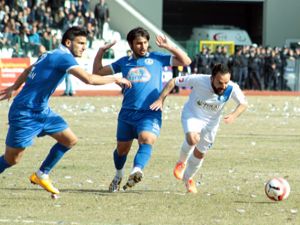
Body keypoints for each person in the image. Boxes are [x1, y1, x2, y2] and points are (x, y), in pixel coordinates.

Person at [0, 26, 131, 195]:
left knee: (69, 140)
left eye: (86, 43)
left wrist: (14, 87)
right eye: (81, 43)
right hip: (25, 113)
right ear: (68, 42)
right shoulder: (64, 57)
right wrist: (116, 77)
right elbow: (89, 79)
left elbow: (28, 70)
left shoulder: (50, 54)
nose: (84, 47)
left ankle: (42, 174)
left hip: (42, 111)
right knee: (12, 159)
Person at [93, 27, 191, 192]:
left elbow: (186, 61)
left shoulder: (157, 58)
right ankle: (118, 175)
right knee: (122, 150)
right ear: (131, 44)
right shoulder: (124, 62)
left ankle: (137, 170)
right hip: (127, 113)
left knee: (146, 139)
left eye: (145, 42)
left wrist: (169, 47)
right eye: (139, 43)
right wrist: (101, 51)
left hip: (150, 112)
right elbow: (97, 72)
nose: (143, 46)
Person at [150, 64, 248, 193]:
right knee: (192, 139)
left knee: (200, 153)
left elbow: (243, 104)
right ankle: (181, 162)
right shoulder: (199, 79)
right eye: (220, 82)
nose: (223, 86)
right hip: (192, 115)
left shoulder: (231, 88)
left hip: (211, 124)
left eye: (226, 83)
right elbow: (174, 81)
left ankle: (188, 178)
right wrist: (160, 99)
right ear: (212, 78)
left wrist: (234, 115)